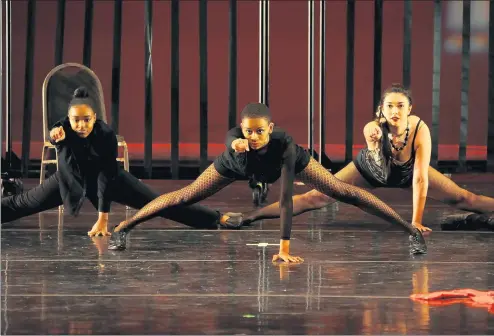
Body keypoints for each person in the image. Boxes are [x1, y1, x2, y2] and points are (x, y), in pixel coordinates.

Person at [110, 102, 427, 260]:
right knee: (184, 196)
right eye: (248, 131)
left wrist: (284, 247)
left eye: (260, 130)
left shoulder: (284, 145)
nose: (254, 136)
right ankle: (123, 229)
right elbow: (231, 136)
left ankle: (411, 231)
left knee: (344, 191)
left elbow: (287, 198)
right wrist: (235, 143)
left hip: (288, 166)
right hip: (235, 168)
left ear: (270, 127)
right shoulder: (237, 142)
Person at [226, 84, 494, 232]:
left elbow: (421, 178)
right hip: (370, 170)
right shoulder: (374, 128)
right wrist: (374, 140)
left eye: (401, 106)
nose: (395, 111)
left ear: (410, 108)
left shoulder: (420, 130)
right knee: (314, 197)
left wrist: (416, 220)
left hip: (408, 172)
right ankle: (252, 217)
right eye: (389, 106)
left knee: (464, 199)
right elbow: (377, 159)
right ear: (382, 109)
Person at [1, 87, 231, 235]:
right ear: (68, 119)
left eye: (86, 120)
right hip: (70, 179)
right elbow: (66, 166)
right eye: (75, 121)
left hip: (111, 180)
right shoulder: (62, 131)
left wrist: (103, 218)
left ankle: (216, 217)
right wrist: (59, 143)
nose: (81, 125)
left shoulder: (105, 135)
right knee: (22, 203)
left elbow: (105, 176)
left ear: (95, 118)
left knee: (158, 203)